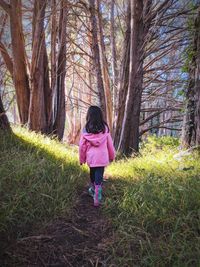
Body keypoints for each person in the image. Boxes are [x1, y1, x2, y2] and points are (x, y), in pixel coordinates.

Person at [79, 106, 115, 206]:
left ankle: (93, 189)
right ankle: (98, 194)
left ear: (89, 115)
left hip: (91, 158)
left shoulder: (86, 129)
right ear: (100, 115)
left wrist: (82, 159)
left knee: (92, 174)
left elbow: (82, 146)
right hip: (102, 157)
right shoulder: (105, 128)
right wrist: (112, 156)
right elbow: (110, 144)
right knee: (99, 174)